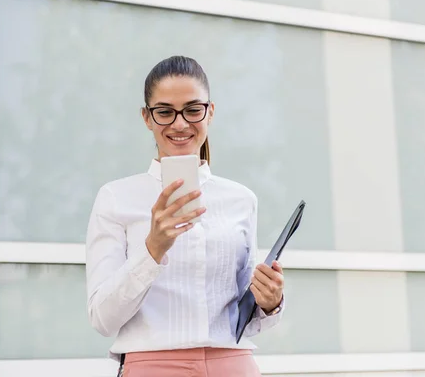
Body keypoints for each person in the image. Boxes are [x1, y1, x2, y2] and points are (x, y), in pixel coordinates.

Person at [85, 55, 285, 377]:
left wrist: (271, 301)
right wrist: (153, 249)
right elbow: (102, 319)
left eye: (193, 110)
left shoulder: (241, 199)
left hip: (233, 364)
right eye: (164, 112)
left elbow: (245, 317)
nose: (180, 124)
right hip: (153, 365)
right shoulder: (116, 198)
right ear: (147, 118)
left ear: (211, 112)